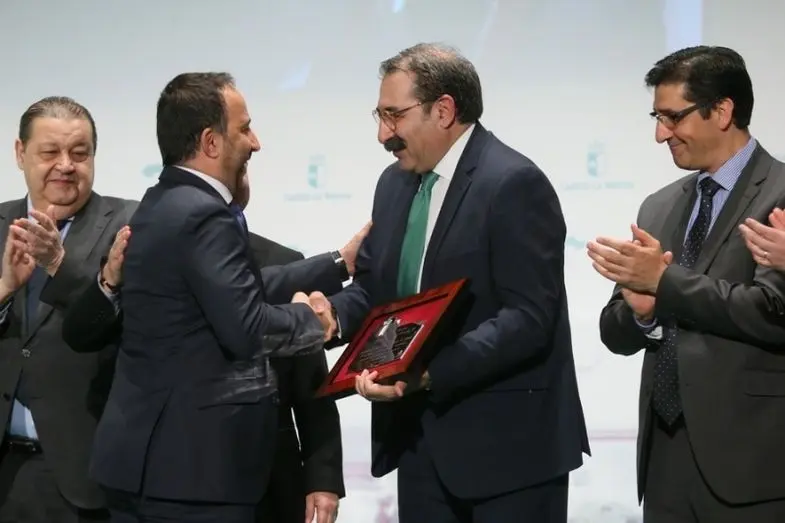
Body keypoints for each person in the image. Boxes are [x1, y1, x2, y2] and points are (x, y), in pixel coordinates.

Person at [311, 43, 589, 523]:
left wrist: (428, 373)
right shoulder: (393, 184)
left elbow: (528, 318)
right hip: (419, 446)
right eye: (379, 115)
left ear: (443, 110)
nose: (383, 134)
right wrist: (332, 317)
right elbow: (376, 289)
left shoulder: (513, 183)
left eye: (394, 115)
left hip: (510, 456)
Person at [87, 72, 341, 523]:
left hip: (150, 471)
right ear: (210, 142)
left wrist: (341, 263)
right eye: (245, 128)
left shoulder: (158, 203)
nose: (255, 142)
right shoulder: (205, 214)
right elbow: (246, 328)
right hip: (194, 478)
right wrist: (313, 320)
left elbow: (238, 292)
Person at [62, 172, 360, 523]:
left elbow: (312, 389)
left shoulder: (284, 260)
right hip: (162, 473)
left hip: (266, 474)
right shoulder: (144, 257)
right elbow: (81, 334)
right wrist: (110, 281)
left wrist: (323, 478)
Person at [589, 46, 785, 522]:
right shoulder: (658, 206)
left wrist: (664, 282)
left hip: (751, 462)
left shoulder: (780, 193)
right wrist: (642, 315)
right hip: (664, 459)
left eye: (673, 117)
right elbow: (615, 333)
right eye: (657, 118)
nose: (660, 134)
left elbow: (771, 312)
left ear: (723, 111)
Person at [0, 96, 137, 523]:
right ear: (20, 153)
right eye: (50, 152)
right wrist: (3, 290)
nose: (66, 165)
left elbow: (130, 326)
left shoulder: (129, 226)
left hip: (87, 475)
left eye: (80, 153)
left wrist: (58, 264)